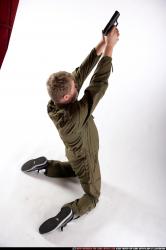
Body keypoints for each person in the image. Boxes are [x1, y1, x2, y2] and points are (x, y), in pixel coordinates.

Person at [21, 26, 120, 234]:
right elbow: (97, 85)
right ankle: (69, 211)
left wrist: (101, 45)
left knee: (74, 169)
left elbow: (81, 73)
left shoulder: (55, 102)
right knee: (93, 195)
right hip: (86, 158)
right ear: (67, 97)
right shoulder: (74, 115)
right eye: (75, 88)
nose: (77, 86)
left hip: (74, 155)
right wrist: (111, 48)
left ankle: (45, 166)